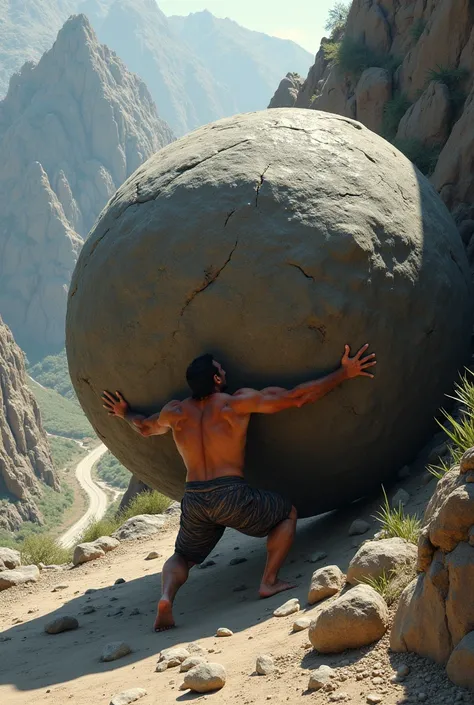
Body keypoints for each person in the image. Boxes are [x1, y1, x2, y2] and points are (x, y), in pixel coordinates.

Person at [102, 343, 376, 631]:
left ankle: (166, 596)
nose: (225, 370)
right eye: (221, 369)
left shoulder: (175, 412)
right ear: (218, 379)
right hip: (230, 493)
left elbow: (144, 427)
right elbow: (297, 397)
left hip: (194, 498)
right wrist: (344, 374)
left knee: (182, 555)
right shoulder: (234, 404)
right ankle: (269, 581)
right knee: (286, 515)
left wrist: (124, 413)